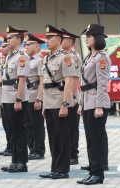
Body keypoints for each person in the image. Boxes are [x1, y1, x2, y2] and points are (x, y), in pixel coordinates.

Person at [39, 25, 75, 179]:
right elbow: (45, 83)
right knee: (53, 137)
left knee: (62, 137)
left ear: (59, 40)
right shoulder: (46, 58)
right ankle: (55, 168)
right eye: (46, 38)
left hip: (60, 102)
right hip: (49, 102)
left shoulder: (65, 58)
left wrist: (65, 104)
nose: (46, 41)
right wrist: (43, 105)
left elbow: (69, 82)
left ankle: (63, 169)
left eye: (50, 38)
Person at [76, 23, 110, 185]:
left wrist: (99, 106)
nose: (87, 39)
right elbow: (84, 83)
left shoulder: (101, 57)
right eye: (86, 37)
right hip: (88, 102)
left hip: (97, 102)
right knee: (90, 139)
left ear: (97, 38)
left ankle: (98, 174)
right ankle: (92, 170)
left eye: (89, 37)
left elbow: (102, 83)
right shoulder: (89, 57)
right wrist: (81, 104)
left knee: (96, 140)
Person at [0, 25, 30, 173]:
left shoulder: (22, 56)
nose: (8, 40)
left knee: (19, 131)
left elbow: (22, 79)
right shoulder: (9, 56)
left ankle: (22, 163)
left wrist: (18, 99)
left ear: (18, 40)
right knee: (11, 130)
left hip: (15, 97)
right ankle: (14, 161)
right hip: (6, 96)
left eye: (10, 38)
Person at [61, 28, 82, 165]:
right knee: (64, 127)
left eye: (62, 39)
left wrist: (72, 98)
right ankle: (66, 152)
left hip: (71, 97)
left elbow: (75, 80)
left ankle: (73, 154)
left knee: (72, 127)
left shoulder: (74, 57)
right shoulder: (63, 55)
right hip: (64, 95)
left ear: (69, 42)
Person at [24, 33, 46, 160]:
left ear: (37, 47)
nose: (26, 46)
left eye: (29, 44)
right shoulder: (28, 59)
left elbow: (41, 81)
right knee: (28, 124)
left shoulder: (39, 61)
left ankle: (39, 150)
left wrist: (39, 98)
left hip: (34, 95)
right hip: (27, 95)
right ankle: (31, 148)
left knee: (37, 125)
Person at [0, 36, 13, 157]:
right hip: (4, 94)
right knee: (6, 123)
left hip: (12, 95)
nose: (2, 48)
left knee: (12, 124)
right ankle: (9, 145)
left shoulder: (16, 58)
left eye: (4, 46)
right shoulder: (6, 60)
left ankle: (13, 147)